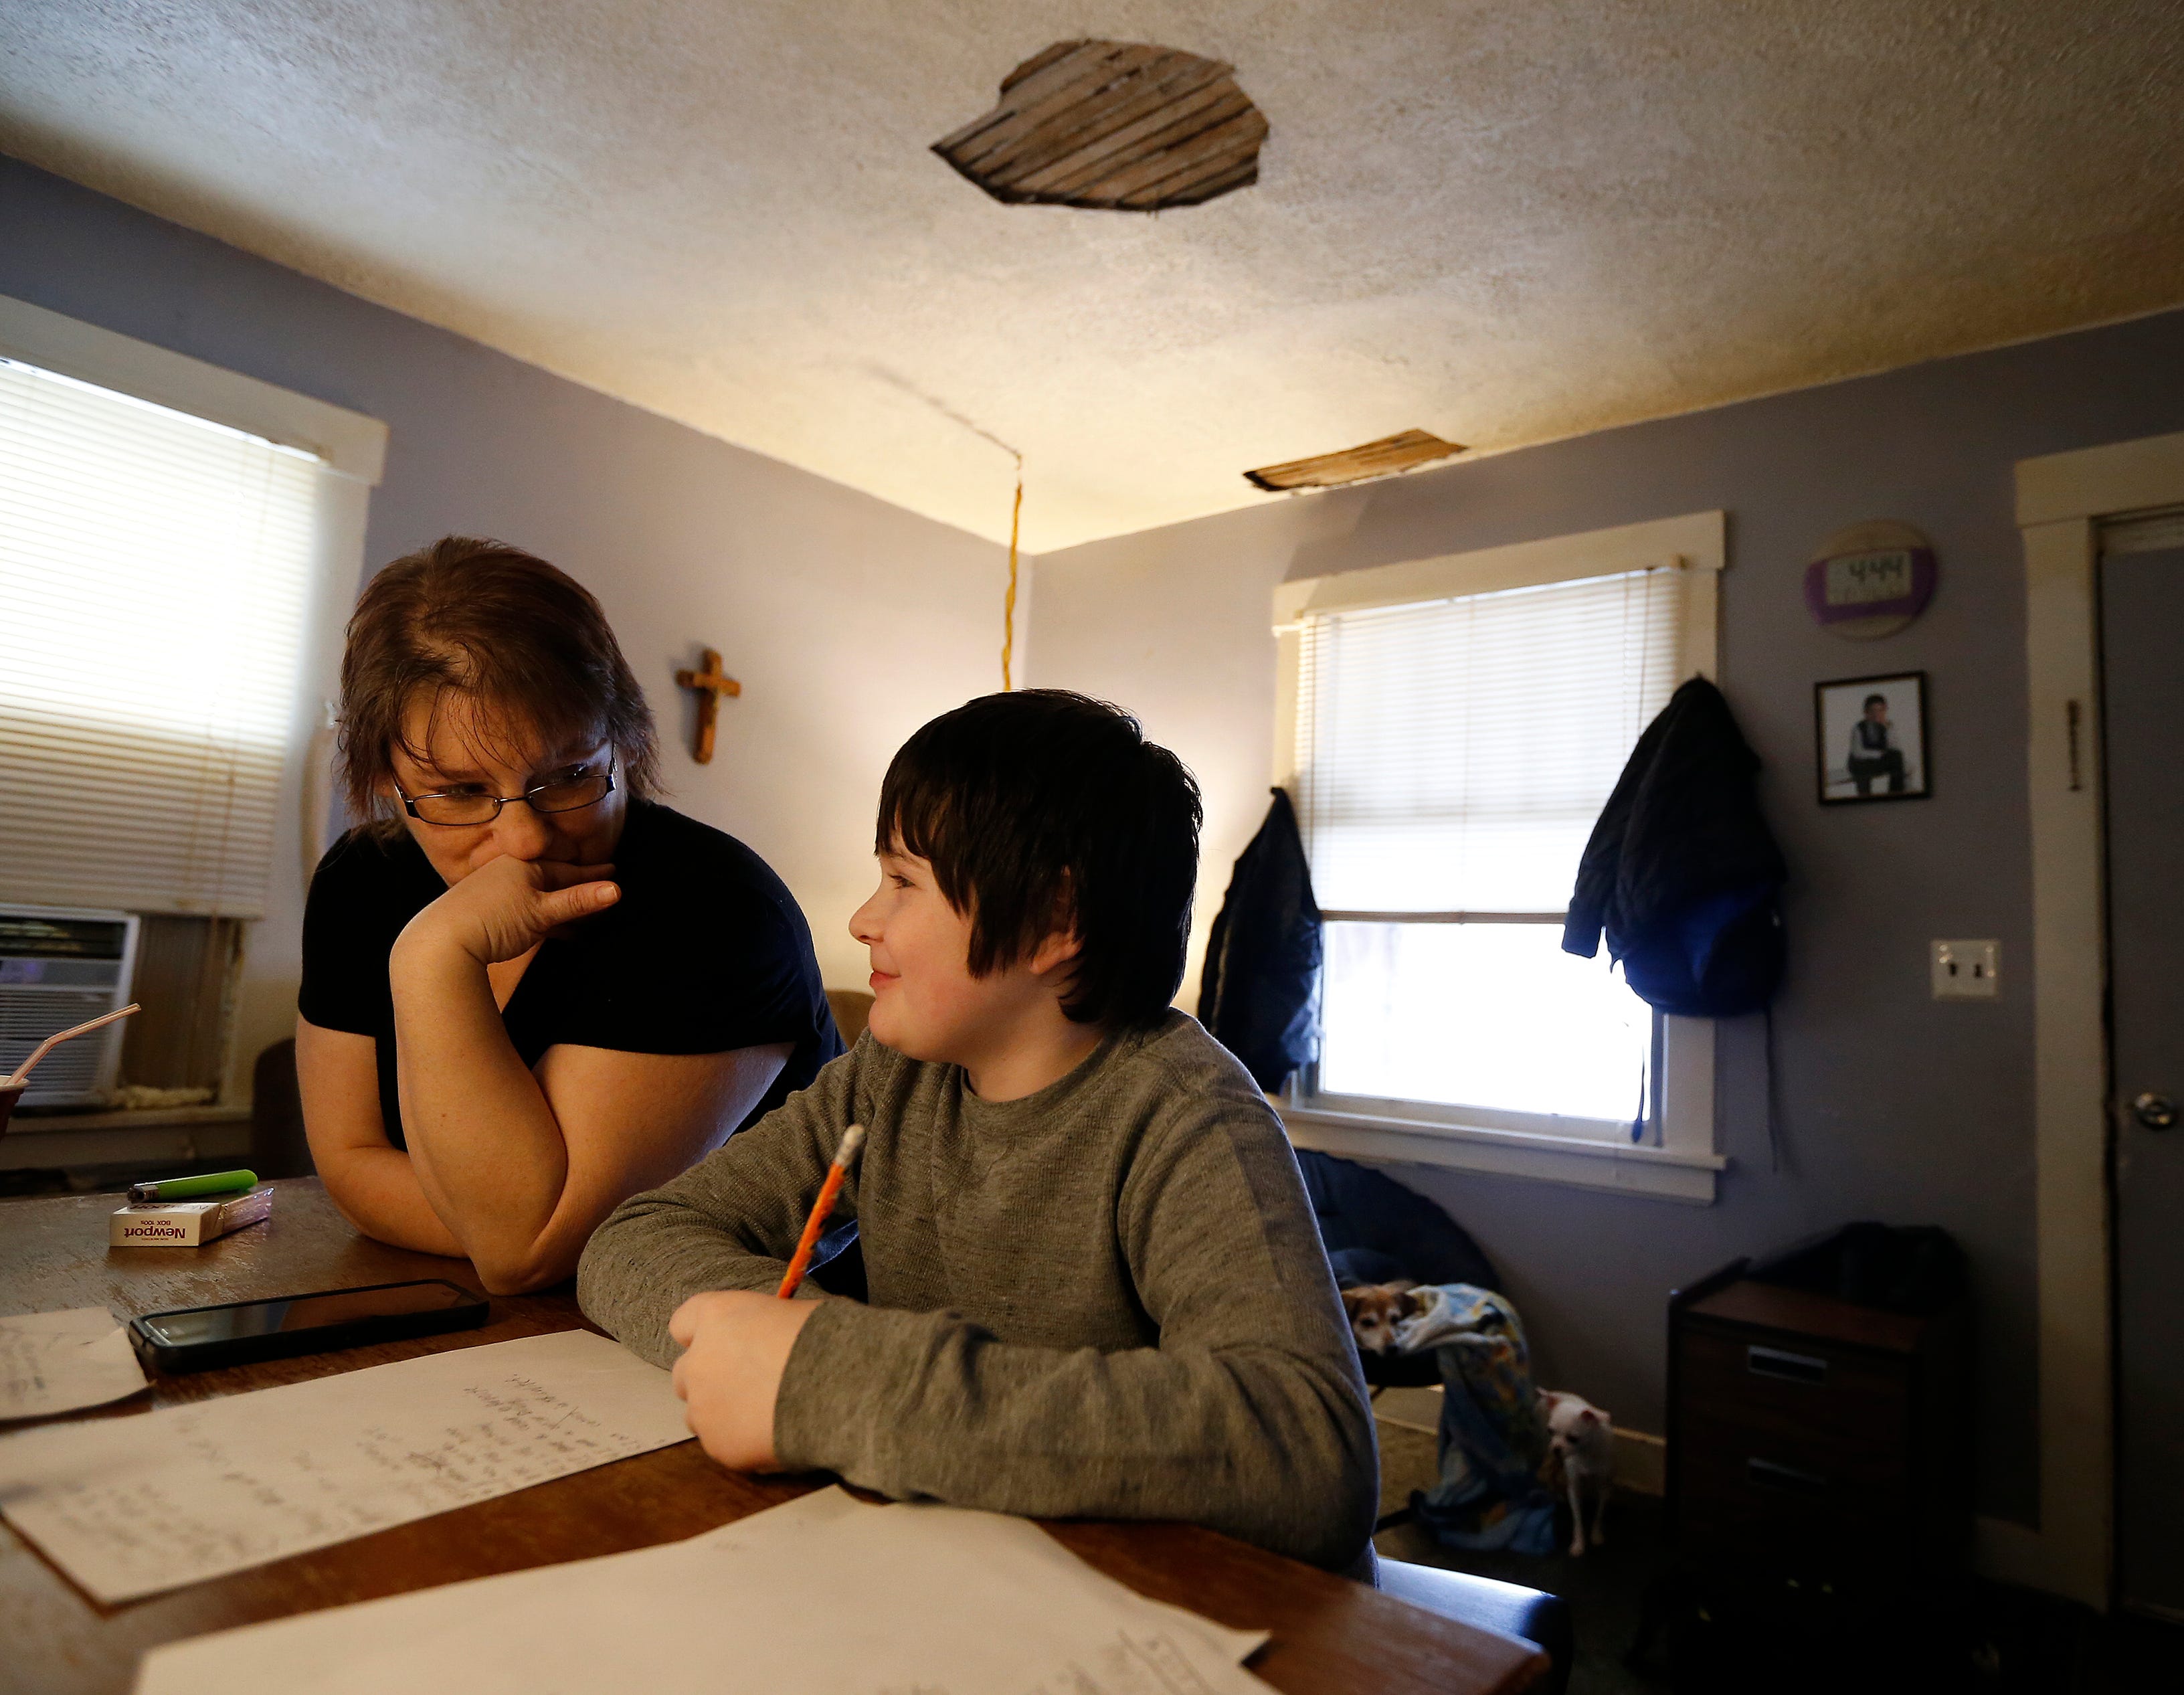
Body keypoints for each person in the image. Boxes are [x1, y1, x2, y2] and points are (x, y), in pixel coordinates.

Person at [577, 690, 1378, 1571]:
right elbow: (636, 1238)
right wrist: (783, 1350)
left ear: (1052, 921)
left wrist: (837, 1379)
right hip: (942, 1571)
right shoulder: (895, 1077)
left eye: (904, 881)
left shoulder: (1187, 1118)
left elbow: (1312, 1453)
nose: (863, 920)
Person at [297, 537, 842, 1295]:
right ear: (386, 778)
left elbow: (527, 1247)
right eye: (458, 791)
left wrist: (432, 955)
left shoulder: (718, 910)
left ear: (623, 738)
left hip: (766, 1327)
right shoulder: (364, 880)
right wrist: (494, 1219)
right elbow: (352, 1163)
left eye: (572, 775)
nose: (525, 837)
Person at [1847, 692, 1910, 796]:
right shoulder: (1858, 728)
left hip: (1878, 762)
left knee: (1897, 757)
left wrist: (1887, 729)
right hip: (1861, 763)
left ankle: (1895, 794)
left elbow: (1895, 748)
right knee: (1862, 773)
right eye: (1873, 711)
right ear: (1866, 712)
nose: (1877, 714)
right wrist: (1880, 754)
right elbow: (1858, 752)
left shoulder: (1888, 726)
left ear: (1885, 711)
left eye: (1880, 711)